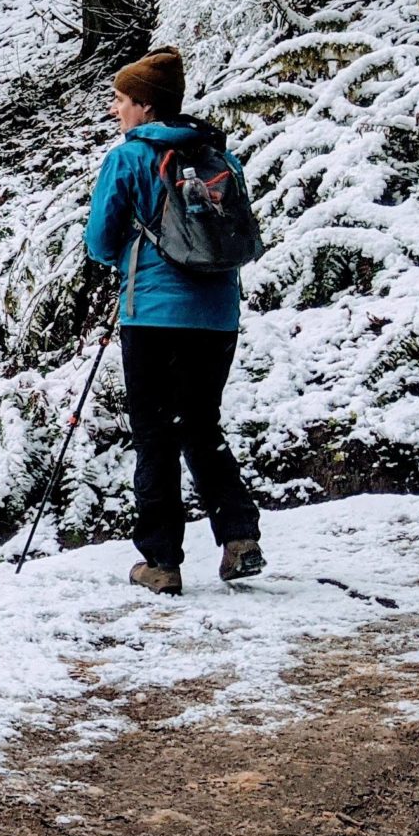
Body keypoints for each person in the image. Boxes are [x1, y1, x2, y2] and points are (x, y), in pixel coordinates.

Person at [83, 46, 264, 595]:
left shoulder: (130, 157)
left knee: (155, 434)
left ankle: (160, 561)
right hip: (216, 315)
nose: (115, 109)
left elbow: (99, 241)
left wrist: (133, 258)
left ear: (143, 104)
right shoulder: (218, 156)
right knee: (201, 424)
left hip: (153, 314)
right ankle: (239, 537)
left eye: (119, 99)